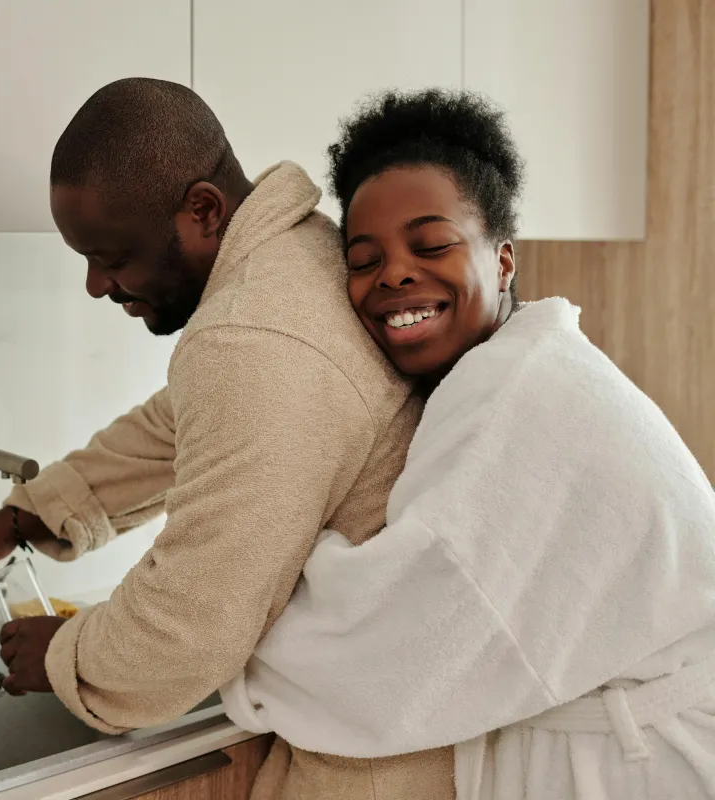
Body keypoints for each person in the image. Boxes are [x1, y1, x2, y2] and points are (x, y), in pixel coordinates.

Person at [0, 78, 456, 798]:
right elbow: (184, 422)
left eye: (113, 255)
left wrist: (65, 655)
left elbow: (191, 625)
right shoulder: (299, 259)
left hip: (382, 760)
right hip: (395, 713)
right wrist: (22, 516)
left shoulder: (254, 336)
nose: (98, 285)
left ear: (203, 210)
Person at [220, 89, 715, 799]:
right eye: (363, 259)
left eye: (431, 245)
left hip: (648, 765)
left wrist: (210, 631)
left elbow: (395, 651)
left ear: (504, 260)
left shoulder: (522, 400)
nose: (394, 272)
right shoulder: (514, 369)